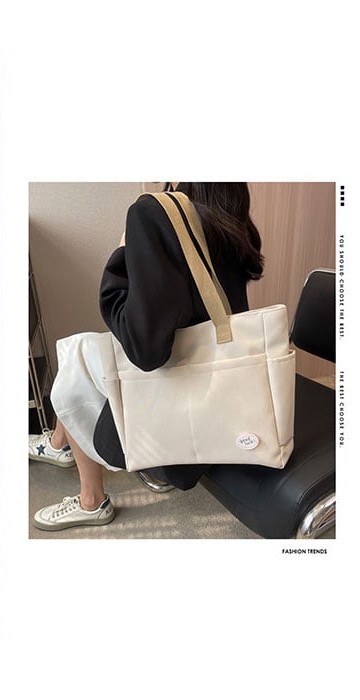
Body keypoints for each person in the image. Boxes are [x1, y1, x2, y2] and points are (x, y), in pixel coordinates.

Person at [32, 183, 264, 531]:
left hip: (176, 413)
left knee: (73, 358)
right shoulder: (229, 215)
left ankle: (91, 499)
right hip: (221, 391)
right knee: (77, 347)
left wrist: (123, 252)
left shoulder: (154, 214)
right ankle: (59, 443)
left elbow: (145, 350)